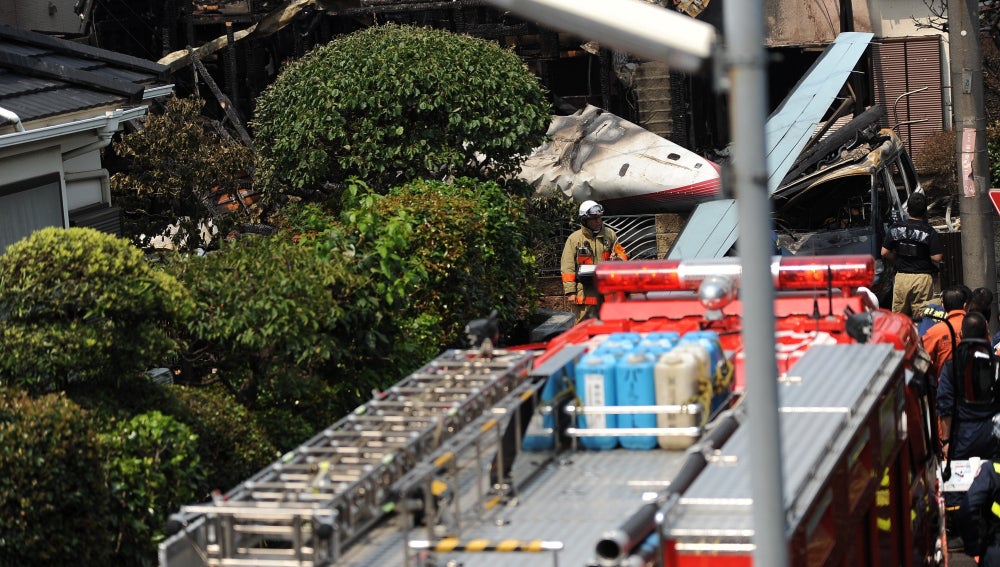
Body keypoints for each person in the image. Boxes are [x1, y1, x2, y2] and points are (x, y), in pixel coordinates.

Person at [938, 311, 1000, 462]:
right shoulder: (996, 364)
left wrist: (946, 441)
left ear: (961, 334)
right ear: (986, 334)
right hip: (993, 435)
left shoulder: (952, 366)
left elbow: (945, 403)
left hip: (963, 436)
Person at [561, 200, 627, 323]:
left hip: (607, 293)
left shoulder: (609, 235)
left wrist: (618, 259)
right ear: (584, 220)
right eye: (594, 219)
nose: (598, 221)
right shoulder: (574, 239)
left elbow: (622, 253)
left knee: (610, 326)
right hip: (585, 296)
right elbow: (567, 267)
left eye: (600, 218)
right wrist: (570, 292)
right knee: (583, 329)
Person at [880, 191, 943, 318]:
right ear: (925, 211)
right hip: (922, 279)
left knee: (899, 318)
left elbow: (884, 252)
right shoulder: (929, 232)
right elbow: (937, 257)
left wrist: (897, 258)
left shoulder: (896, 228)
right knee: (922, 316)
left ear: (908, 209)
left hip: (902, 277)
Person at [922, 285, 969, 380]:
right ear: (965, 305)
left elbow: (922, 360)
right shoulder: (979, 324)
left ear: (943, 307)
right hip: (974, 386)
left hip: (945, 384)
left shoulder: (934, 332)